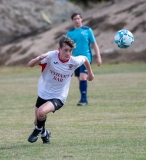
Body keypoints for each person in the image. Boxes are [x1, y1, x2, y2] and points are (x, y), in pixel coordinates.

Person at [27, 35, 94, 144]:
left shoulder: (73, 61)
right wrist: (38, 59)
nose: (68, 53)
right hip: (43, 94)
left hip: (59, 96)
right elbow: (30, 64)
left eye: (70, 50)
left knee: (41, 112)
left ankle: (38, 130)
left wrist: (90, 74)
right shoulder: (50, 56)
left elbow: (85, 59)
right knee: (37, 120)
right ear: (59, 49)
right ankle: (45, 134)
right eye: (66, 50)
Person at [66, 12, 102, 106]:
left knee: (83, 77)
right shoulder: (70, 33)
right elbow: (67, 48)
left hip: (86, 58)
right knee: (80, 79)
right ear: (72, 21)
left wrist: (98, 57)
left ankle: (83, 100)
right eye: (75, 19)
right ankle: (83, 97)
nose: (77, 20)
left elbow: (94, 44)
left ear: (81, 19)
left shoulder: (87, 30)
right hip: (75, 59)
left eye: (78, 18)